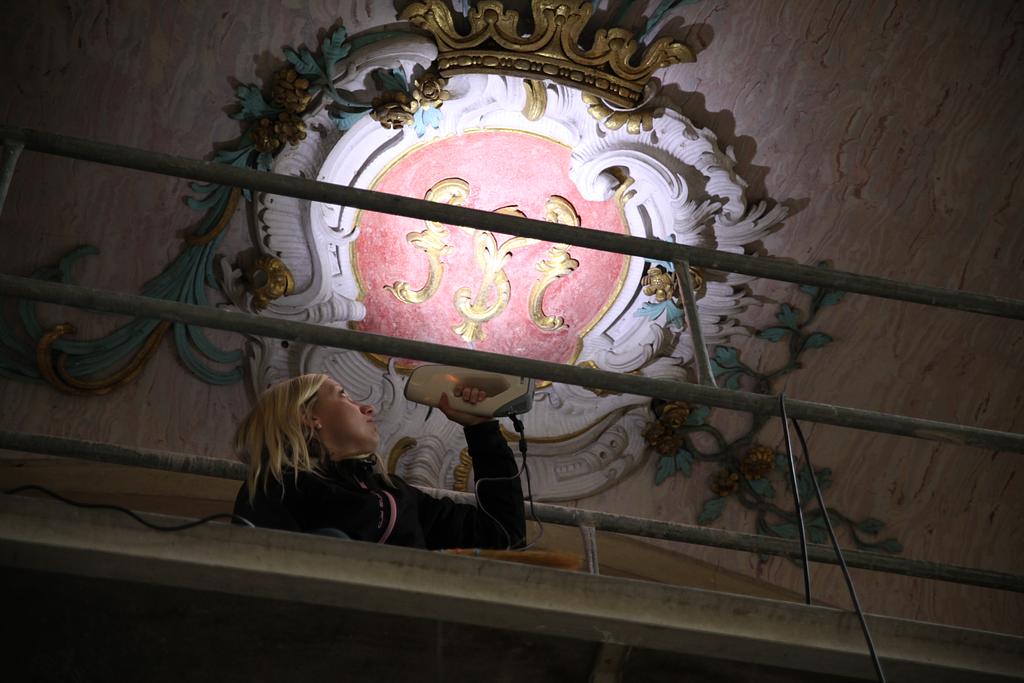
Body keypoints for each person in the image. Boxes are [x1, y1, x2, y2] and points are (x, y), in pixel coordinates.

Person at [232, 373, 526, 550]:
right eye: (343, 395)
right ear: (308, 416)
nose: (367, 408)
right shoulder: (275, 488)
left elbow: (502, 537)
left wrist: (481, 430)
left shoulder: (393, 492)